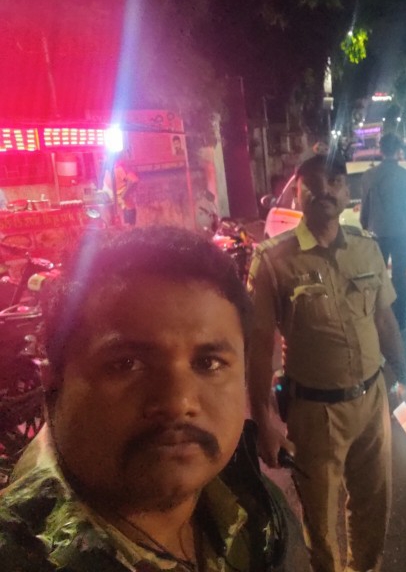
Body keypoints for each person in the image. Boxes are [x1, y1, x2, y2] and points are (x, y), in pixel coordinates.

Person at [0, 226, 308, 571]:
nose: (179, 402)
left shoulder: (254, 503)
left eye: (208, 363)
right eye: (126, 364)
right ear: (54, 381)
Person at [247, 155, 406, 572]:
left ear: (347, 193)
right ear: (298, 192)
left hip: (372, 401)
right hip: (315, 414)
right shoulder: (273, 261)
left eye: (335, 181)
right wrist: (264, 420)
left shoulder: (367, 248)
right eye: (314, 182)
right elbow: (258, 347)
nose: (325, 189)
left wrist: (404, 385)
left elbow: (384, 321)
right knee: (320, 525)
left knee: (374, 507)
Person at [359, 133, 406, 352]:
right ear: (398, 150)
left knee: (378, 279)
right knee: (400, 279)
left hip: (378, 234)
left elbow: (365, 207)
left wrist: (366, 227)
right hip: (402, 233)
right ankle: (400, 324)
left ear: (381, 150)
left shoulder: (370, 175)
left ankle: (378, 324)